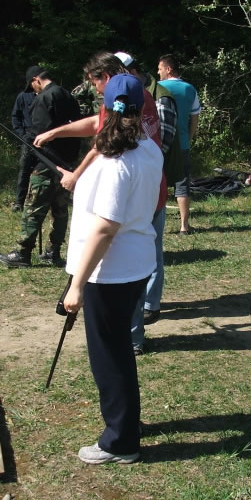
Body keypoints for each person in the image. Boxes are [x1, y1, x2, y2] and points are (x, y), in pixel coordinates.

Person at [35, 52, 167, 354]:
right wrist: (56, 132)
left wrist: (77, 176)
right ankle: (132, 333)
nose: (95, 89)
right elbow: (101, 126)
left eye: (95, 83)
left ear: (105, 78)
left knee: (121, 265)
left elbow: (105, 140)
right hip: (148, 193)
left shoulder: (121, 111)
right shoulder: (137, 100)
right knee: (140, 255)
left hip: (132, 205)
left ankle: (130, 337)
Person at [62, 74, 163, 464]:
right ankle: (127, 422)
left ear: (104, 108)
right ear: (142, 106)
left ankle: (120, 441)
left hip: (111, 273)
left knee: (109, 355)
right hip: (136, 265)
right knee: (118, 348)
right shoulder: (149, 149)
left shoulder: (117, 163)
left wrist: (76, 285)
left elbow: (105, 228)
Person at [114, 51, 178, 329]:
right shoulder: (126, 96)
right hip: (146, 181)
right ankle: (142, 307)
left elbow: (164, 138)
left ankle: (150, 303)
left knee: (150, 247)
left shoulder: (157, 96)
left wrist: (146, 168)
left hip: (151, 183)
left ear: (130, 71)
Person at [0, 66, 81, 268]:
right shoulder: (68, 96)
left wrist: (31, 150)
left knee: (33, 207)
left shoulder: (44, 98)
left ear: (36, 79)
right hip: (68, 163)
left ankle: (23, 253)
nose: (33, 91)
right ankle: (54, 251)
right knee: (60, 209)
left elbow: (38, 136)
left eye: (32, 86)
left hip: (47, 162)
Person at [157, 54, 201, 234]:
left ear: (168, 69)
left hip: (159, 144)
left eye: (160, 68)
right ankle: (184, 225)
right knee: (182, 185)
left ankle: (155, 224)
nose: (158, 72)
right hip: (181, 143)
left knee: (156, 183)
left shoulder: (157, 88)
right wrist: (188, 138)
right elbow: (194, 118)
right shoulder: (190, 89)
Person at [10, 89, 37, 212]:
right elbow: (15, 117)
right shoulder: (23, 96)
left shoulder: (49, 95)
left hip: (48, 139)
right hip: (28, 139)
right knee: (25, 169)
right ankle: (19, 202)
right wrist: (23, 135)